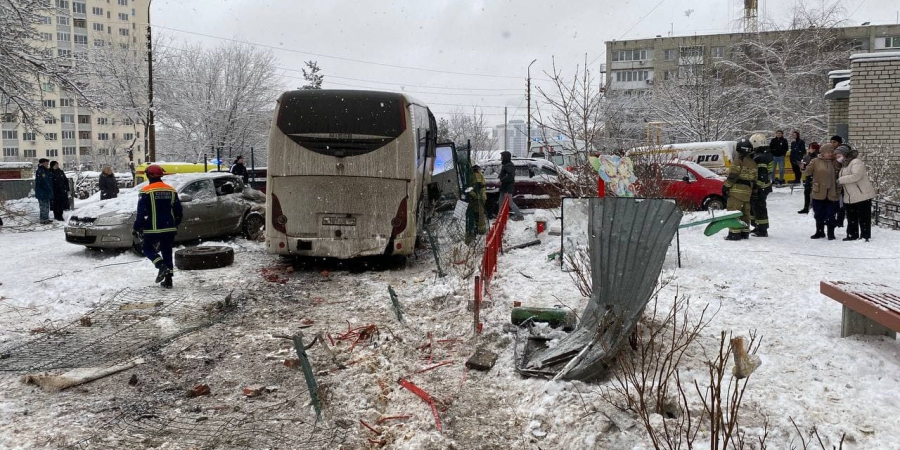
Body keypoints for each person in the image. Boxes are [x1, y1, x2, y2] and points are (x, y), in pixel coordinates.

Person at [133, 164, 183, 288]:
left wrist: (136, 227)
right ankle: (168, 280)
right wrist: (175, 223)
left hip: (152, 228)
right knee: (167, 251)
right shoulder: (171, 190)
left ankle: (161, 265)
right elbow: (178, 211)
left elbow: (141, 213)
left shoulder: (145, 191)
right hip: (169, 227)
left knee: (147, 248)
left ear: (148, 175)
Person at [835, 145, 875, 241]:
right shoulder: (844, 165)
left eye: (839, 156)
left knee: (864, 217)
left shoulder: (855, 162)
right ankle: (852, 234)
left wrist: (840, 180)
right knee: (851, 217)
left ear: (845, 154)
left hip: (862, 194)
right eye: (836, 156)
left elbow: (856, 176)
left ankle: (865, 236)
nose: (837, 158)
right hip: (850, 196)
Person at [803, 144, 841, 240]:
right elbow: (807, 172)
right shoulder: (815, 161)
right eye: (828, 152)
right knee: (818, 213)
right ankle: (819, 232)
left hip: (832, 191)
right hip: (819, 191)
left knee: (830, 214)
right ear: (823, 153)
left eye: (831, 152)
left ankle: (831, 233)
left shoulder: (835, 162)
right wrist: (803, 167)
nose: (830, 154)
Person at [722, 138, 757, 241]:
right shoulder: (753, 163)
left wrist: (726, 187)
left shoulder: (738, 161)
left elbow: (733, 176)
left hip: (736, 192)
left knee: (733, 211)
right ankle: (744, 233)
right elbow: (755, 179)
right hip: (747, 192)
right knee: (745, 213)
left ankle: (734, 234)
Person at [749, 133, 773, 237]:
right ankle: (758, 226)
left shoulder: (761, 157)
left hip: (761, 187)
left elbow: (762, 175)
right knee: (756, 207)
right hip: (765, 186)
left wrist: (756, 187)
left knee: (759, 208)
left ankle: (762, 230)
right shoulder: (766, 154)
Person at [498, 151, 525, 221]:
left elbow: (510, 176)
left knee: (510, 202)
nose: (501, 158)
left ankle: (519, 216)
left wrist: (502, 180)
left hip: (507, 187)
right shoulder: (506, 164)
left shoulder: (509, 165)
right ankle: (500, 217)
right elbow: (505, 174)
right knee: (500, 201)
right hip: (504, 187)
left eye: (502, 156)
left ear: (505, 157)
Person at [465, 165, 488, 243]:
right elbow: (481, 186)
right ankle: (481, 230)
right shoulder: (479, 175)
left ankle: (478, 230)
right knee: (480, 214)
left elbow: (476, 187)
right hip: (480, 198)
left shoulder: (473, 175)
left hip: (477, 198)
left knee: (476, 214)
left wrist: (475, 195)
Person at [797, 142, 820, 214]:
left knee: (814, 193)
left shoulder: (818, 157)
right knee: (807, 192)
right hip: (808, 177)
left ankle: (813, 208)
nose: (809, 149)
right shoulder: (807, 156)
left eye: (810, 148)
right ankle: (806, 207)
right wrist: (802, 167)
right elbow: (803, 167)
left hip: (816, 177)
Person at [34, 158, 53, 224]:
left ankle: (46, 218)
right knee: (43, 206)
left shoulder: (45, 170)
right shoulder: (41, 171)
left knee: (47, 205)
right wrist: (48, 188)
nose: (48, 164)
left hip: (45, 192)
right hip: (42, 192)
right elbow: (43, 182)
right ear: (43, 163)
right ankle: (43, 219)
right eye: (46, 163)